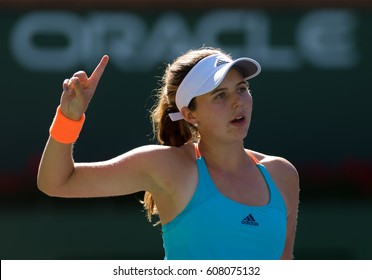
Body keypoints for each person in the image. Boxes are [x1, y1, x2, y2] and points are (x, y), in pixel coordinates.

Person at [37, 46, 300, 260]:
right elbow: (56, 182)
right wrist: (69, 117)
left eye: (242, 89)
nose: (237, 102)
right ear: (189, 114)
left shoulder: (282, 174)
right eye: (220, 95)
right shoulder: (168, 167)